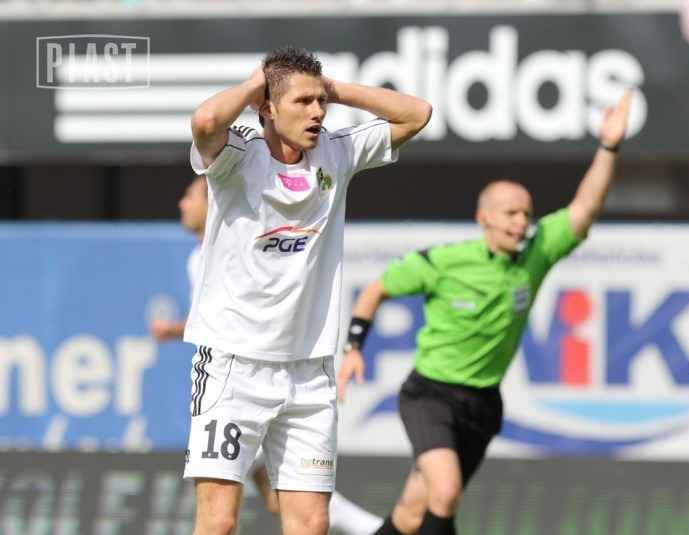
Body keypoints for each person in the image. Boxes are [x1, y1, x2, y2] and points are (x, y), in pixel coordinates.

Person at [337, 90, 633, 535]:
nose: (521, 222)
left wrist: (609, 146)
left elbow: (586, 207)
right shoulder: (445, 261)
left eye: (526, 214)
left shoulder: (536, 252)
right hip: (431, 396)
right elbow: (376, 289)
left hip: (483, 405)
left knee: (413, 513)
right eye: (511, 213)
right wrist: (354, 347)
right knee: (445, 493)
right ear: (484, 218)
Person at [184, 46, 431, 535]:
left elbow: (417, 113)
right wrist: (257, 84)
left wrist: (332, 89)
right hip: (233, 367)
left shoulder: (335, 152)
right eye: (303, 102)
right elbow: (207, 119)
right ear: (267, 108)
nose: (318, 112)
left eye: (321, 102)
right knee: (218, 523)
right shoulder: (236, 157)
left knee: (313, 523)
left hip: (309, 373)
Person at [151, 174, 383, 534]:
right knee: (249, 510)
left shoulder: (238, 242)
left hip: (276, 374)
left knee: (297, 510)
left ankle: (375, 528)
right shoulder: (198, 256)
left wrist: (172, 330)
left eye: (190, 196)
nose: (182, 204)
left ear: (212, 203)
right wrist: (175, 330)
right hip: (233, 384)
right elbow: (216, 314)